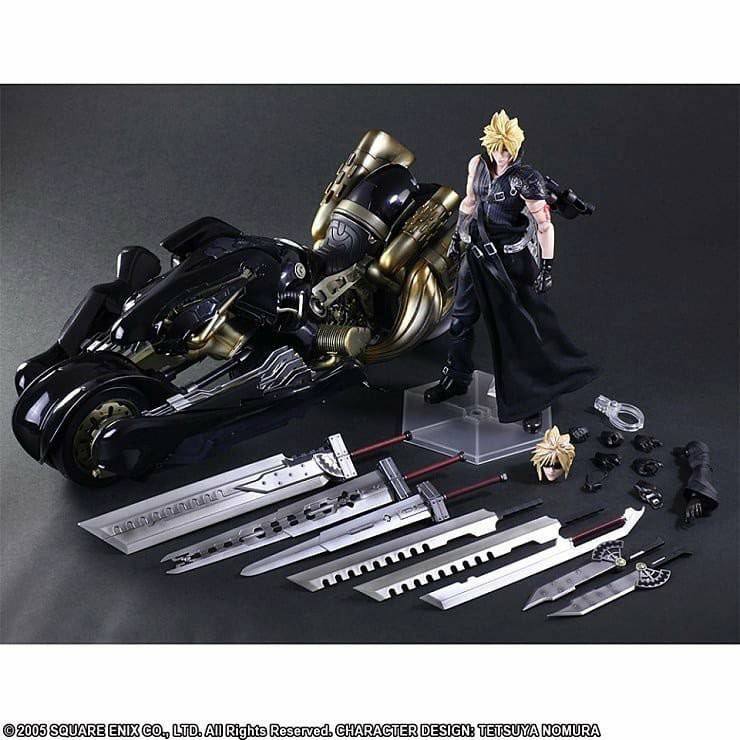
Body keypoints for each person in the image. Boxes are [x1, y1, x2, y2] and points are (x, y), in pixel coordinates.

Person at [424, 110, 597, 432]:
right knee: (460, 320)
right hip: (476, 254)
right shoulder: (478, 165)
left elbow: (544, 225)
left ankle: (532, 398)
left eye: (507, 149)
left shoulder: (525, 178)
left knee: (519, 329)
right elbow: (469, 203)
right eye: (496, 148)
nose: (501, 154)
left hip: (510, 262)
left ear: (516, 149)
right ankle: (457, 377)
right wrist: (458, 238)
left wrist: (546, 267)